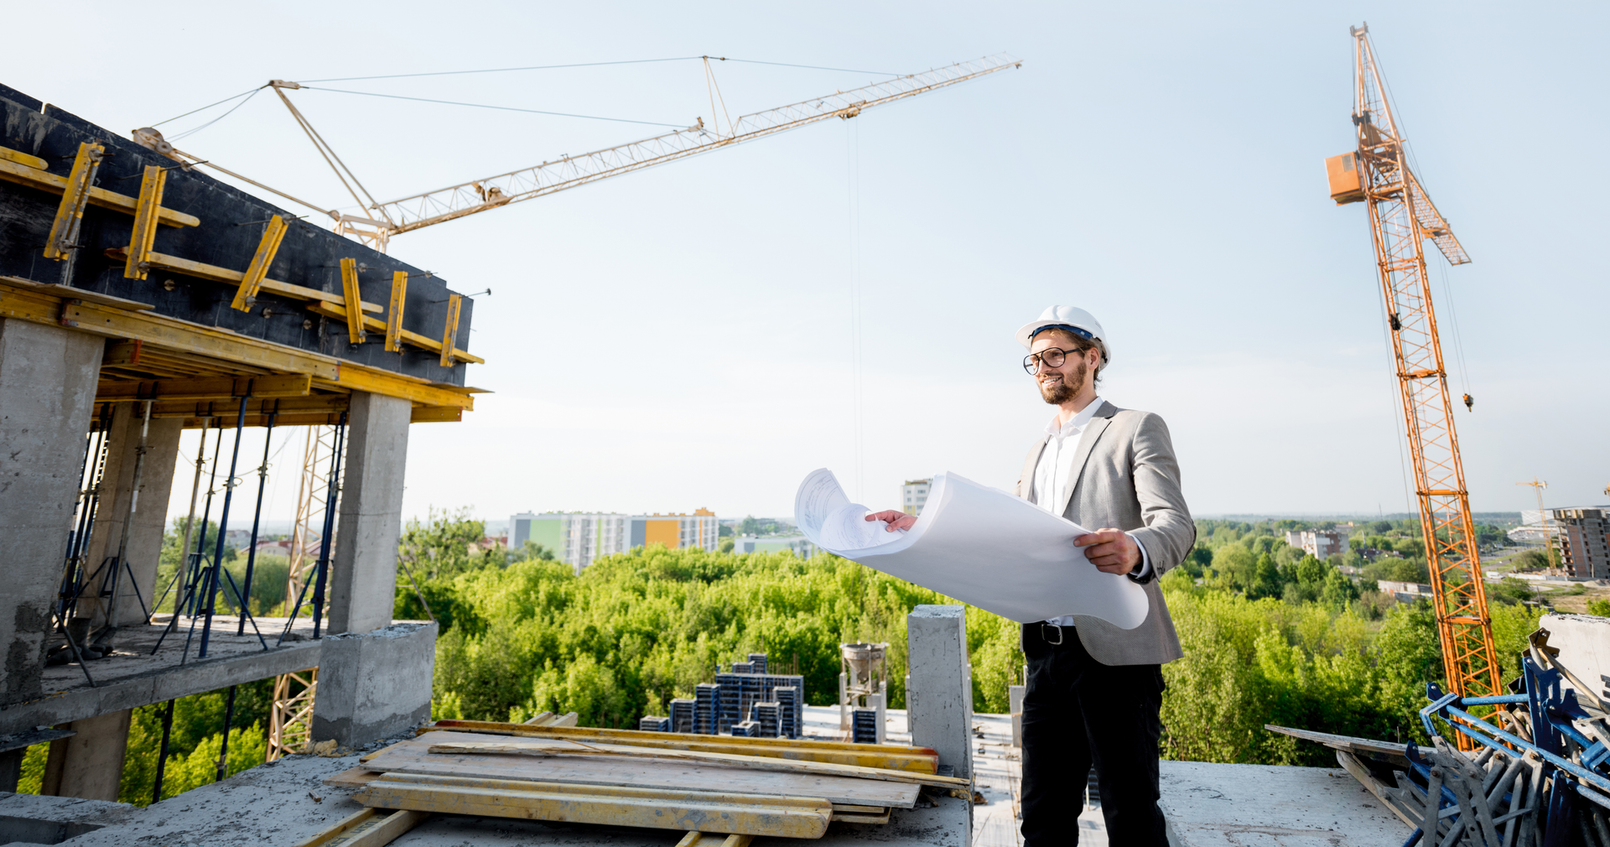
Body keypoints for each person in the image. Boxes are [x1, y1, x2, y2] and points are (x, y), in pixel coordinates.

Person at [865, 305, 1193, 846]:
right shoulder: (1037, 450)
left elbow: (1176, 526)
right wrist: (920, 527)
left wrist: (1134, 548)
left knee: (1131, 814)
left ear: (1093, 357)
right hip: (1046, 655)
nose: (1042, 367)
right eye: (1035, 359)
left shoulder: (1134, 427)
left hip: (1118, 655)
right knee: (1042, 817)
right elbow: (1005, 535)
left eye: (1056, 355)